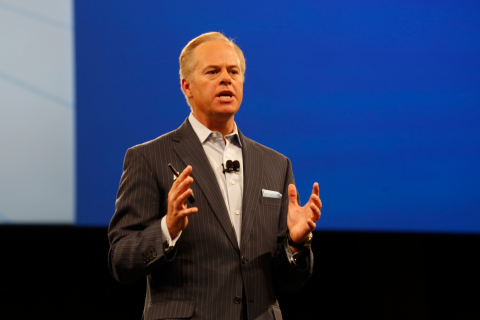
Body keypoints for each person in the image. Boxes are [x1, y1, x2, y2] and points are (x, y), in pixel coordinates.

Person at [108, 32, 322, 320]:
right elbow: (121, 260)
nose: (226, 79)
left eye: (233, 71)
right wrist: (166, 229)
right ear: (187, 86)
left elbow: (287, 281)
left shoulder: (276, 164)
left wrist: (295, 244)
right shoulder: (148, 158)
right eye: (213, 71)